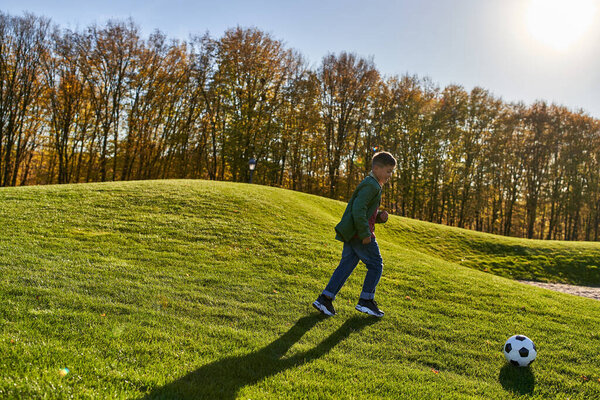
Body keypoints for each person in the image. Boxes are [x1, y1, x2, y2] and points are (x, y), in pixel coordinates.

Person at [313, 151, 396, 317]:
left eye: (391, 172)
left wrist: (379, 217)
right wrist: (366, 233)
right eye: (388, 171)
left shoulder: (373, 184)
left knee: (346, 265)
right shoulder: (371, 185)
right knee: (376, 264)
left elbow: (365, 212)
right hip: (360, 234)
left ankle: (325, 298)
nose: (390, 175)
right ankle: (366, 300)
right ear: (377, 168)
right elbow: (358, 209)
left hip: (354, 233)